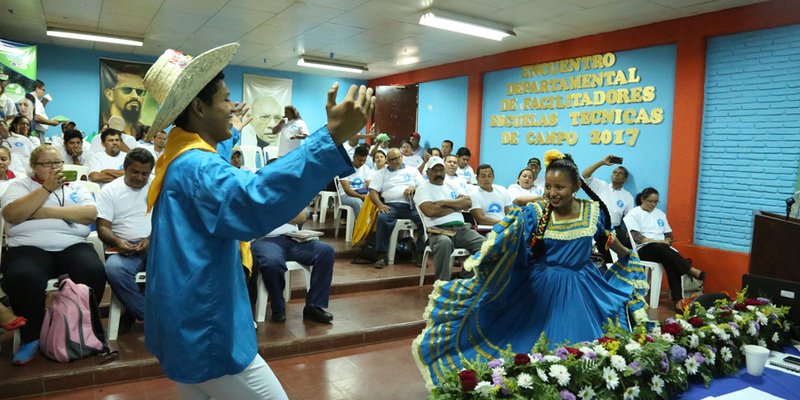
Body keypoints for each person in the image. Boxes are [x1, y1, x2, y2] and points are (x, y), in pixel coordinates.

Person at [141, 43, 374, 399]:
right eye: (225, 99)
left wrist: (232, 132)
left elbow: (216, 167)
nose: (232, 107)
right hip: (205, 323)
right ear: (199, 107)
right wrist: (331, 139)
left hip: (182, 314)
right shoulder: (198, 168)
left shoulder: (179, 157)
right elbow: (253, 198)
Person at [412, 150, 649, 386]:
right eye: (548, 187)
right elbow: (513, 240)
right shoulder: (536, 213)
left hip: (583, 285)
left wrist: (627, 254)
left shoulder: (592, 211)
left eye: (560, 187)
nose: (552, 193)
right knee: (529, 342)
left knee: (587, 348)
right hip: (543, 286)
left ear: (576, 186)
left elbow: (605, 237)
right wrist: (491, 254)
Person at [2, 144, 106, 365]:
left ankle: (84, 330)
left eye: (57, 162)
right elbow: (12, 214)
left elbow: (89, 214)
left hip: (72, 245)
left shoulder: (76, 187)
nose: (54, 167)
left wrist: (41, 212)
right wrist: (47, 189)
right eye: (47, 164)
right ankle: (30, 337)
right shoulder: (19, 185)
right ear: (33, 167)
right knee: (23, 275)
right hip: (28, 248)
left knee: (93, 270)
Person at [96, 148, 154, 330]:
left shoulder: (156, 187)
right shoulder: (110, 190)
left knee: (177, 267)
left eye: (145, 173)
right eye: (135, 172)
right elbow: (102, 227)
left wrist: (151, 239)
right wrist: (117, 242)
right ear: (125, 168)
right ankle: (153, 317)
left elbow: (168, 220)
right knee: (114, 269)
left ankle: (133, 310)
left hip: (155, 244)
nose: (139, 177)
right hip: (124, 247)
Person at [624, 187, 706, 311]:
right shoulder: (634, 214)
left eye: (656, 202)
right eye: (650, 201)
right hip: (643, 249)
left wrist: (667, 240)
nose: (653, 204)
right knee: (662, 249)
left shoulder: (660, 214)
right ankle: (689, 269)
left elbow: (668, 234)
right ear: (642, 199)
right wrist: (660, 241)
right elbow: (638, 238)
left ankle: (678, 301)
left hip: (662, 249)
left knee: (670, 261)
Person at [250, 208, 335, 323]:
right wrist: (288, 214)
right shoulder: (258, 191)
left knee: (326, 252)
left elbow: (302, 216)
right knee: (272, 261)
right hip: (265, 239)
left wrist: (276, 214)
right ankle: (278, 307)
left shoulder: (290, 192)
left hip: (293, 237)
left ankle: (313, 306)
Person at [414, 156, 485, 281]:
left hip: (461, 230)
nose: (439, 173)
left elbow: (468, 203)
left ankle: (465, 275)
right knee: (444, 243)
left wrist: (442, 202)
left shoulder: (452, 185)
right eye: (435, 170)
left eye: (441, 170)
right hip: (438, 231)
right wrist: (456, 206)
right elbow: (430, 211)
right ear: (427, 172)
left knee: (486, 245)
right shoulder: (422, 189)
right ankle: (442, 284)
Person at [368, 148, 425, 268]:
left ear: (402, 157)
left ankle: (420, 252)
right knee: (383, 218)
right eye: (392, 159)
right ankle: (381, 255)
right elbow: (372, 191)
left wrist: (413, 187)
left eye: (398, 158)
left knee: (424, 220)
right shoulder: (381, 173)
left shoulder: (412, 171)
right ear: (387, 161)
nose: (395, 161)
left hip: (410, 206)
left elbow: (423, 187)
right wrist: (380, 205)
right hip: (390, 205)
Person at [582, 155, 635, 230]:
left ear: (625, 179)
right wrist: (602, 162)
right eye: (615, 172)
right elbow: (585, 175)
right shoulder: (601, 185)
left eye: (620, 173)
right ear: (611, 175)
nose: (616, 174)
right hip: (596, 228)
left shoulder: (628, 196)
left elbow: (630, 219)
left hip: (614, 230)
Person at [103, 70, 146, 138]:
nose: (135, 96)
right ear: (110, 94)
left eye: (140, 91)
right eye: (127, 89)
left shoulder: (142, 130)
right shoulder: (103, 124)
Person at [339, 144, 372, 218]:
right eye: (360, 160)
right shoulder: (345, 168)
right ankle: (360, 227)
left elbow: (370, 185)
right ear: (354, 157)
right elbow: (347, 190)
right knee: (358, 202)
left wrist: (371, 194)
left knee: (375, 201)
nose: (362, 163)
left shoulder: (366, 168)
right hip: (345, 195)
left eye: (364, 160)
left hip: (362, 193)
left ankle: (370, 226)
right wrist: (361, 197)